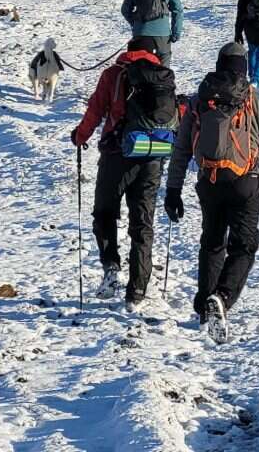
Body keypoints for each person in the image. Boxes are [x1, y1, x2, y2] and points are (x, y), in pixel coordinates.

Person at [163, 42, 259, 343]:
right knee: (244, 246)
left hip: (209, 181)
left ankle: (205, 305)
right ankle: (221, 297)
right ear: (244, 67)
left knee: (211, 243)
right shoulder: (255, 98)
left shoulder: (199, 100)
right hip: (247, 181)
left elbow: (181, 149)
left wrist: (173, 190)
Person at [70, 36, 178, 313]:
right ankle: (137, 290)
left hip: (117, 155)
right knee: (142, 223)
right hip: (153, 154)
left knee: (104, 212)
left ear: (128, 52)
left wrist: (80, 136)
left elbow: (96, 109)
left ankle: (111, 265)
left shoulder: (114, 74)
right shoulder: (164, 76)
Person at [120, 0, 183, 64]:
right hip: (163, 36)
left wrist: (135, 23)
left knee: (137, 67)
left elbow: (125, 10)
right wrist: (176, 33)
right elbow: (178, 11)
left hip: (140, 34)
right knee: (163, 70)